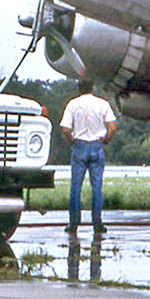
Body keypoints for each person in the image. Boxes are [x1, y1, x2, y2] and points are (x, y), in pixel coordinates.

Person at [59, 79, 118, 233]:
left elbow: (65, 128)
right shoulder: (103, 103)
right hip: (97, 145)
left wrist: (72, 140)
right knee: (97, 186)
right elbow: (112, 127)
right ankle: (97, 223)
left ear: (79, 88)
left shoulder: (72, 104)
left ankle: (73, 224)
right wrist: (106, 140)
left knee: (75, 186)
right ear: (92, 87)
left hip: (79, 146)